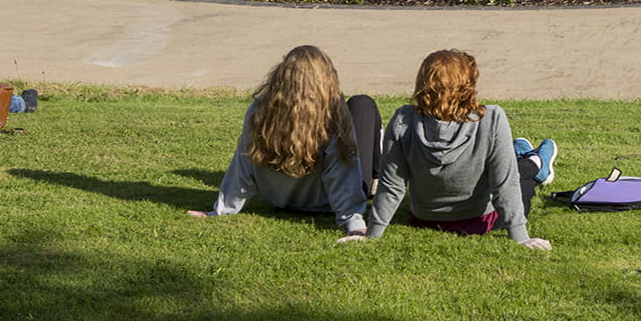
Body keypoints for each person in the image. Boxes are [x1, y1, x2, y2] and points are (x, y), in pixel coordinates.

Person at [355, 49, 555, 250]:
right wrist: (521, 237)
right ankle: (537, 162)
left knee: (509, 164)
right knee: (521, 177)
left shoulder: (403, 119)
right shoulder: (491, 118)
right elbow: (505, 183)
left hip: (423, 219)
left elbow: (391, 184)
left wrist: (372, 234)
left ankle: (521, 152)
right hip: (481, 220)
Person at [187, 45, 380, 236]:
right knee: (362, 104)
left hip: (279, 202)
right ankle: (377, 177)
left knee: (356, 111)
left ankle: (376, 179)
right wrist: (354, 222)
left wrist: (222, 210)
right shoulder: (332, 117)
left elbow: (243, 165)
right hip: (326, 204)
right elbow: (342, 172)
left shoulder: (259, 110)